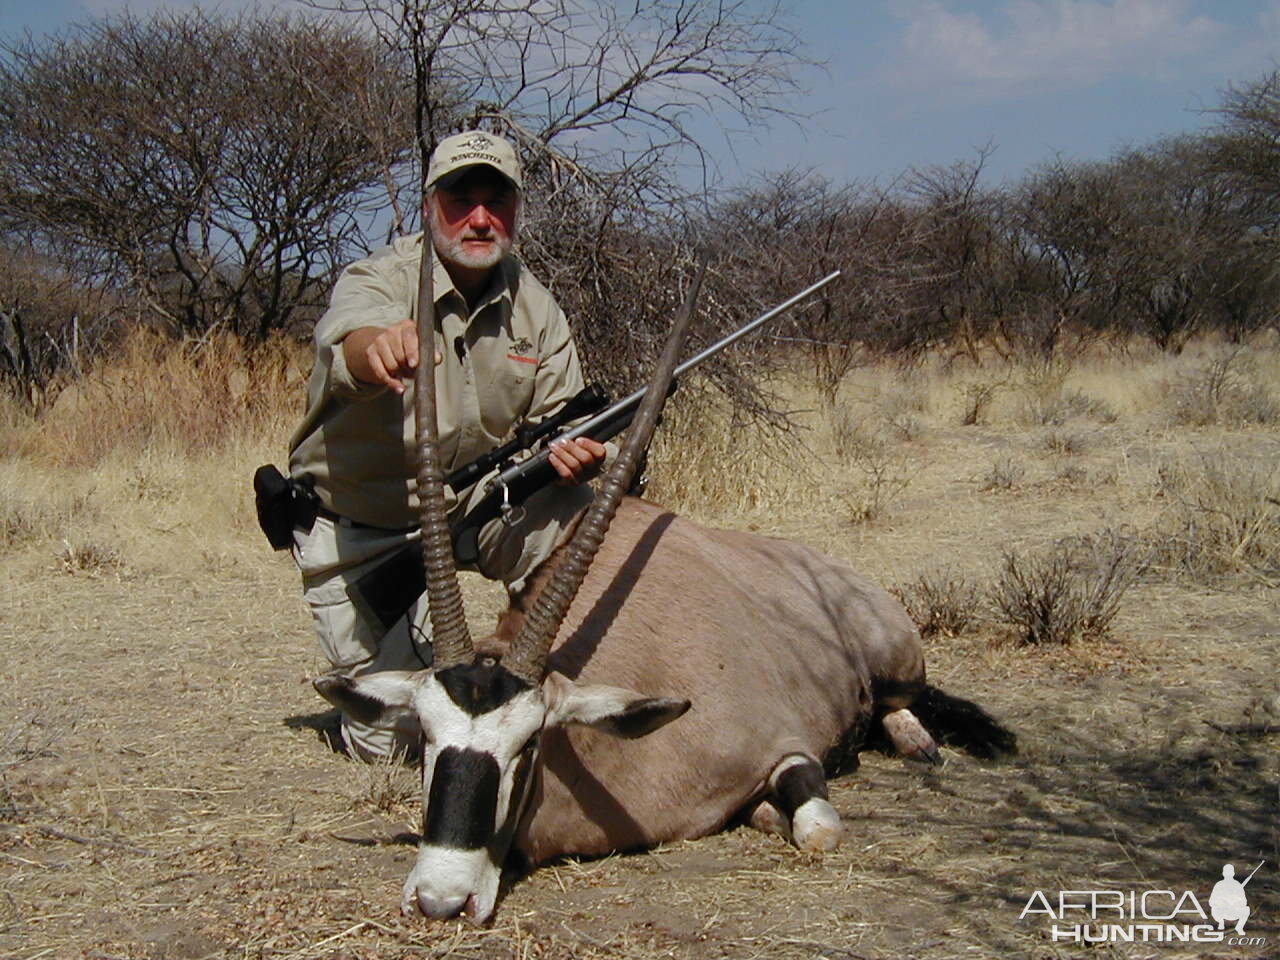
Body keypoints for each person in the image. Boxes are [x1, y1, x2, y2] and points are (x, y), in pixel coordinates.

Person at [287, 131, 608, 761]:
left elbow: (560, 422)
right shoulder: (379, 278)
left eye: (498, 202)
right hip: (365, 532)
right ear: (431, 204)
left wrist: (573, 460)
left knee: (592, 524)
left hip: (474, 509)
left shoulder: (536, 306)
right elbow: (347, 337)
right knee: (396, 742)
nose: (481, 219)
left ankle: (539, 664)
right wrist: (373, 348)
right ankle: (409, 657)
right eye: (463, 200)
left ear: (516, 209)